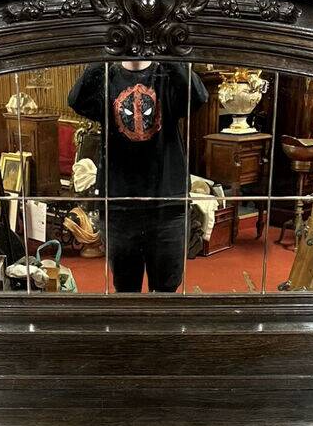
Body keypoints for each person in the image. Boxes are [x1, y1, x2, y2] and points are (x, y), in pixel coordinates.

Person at [68, 61, 208, 292]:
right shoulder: (106, 78)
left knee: (167, 289)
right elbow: (76, 100)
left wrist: (168, 52)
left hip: (167, 203)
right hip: (119, 205)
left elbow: (198, 96)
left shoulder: (167, 75)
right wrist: (103, 54)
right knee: (125, 290)